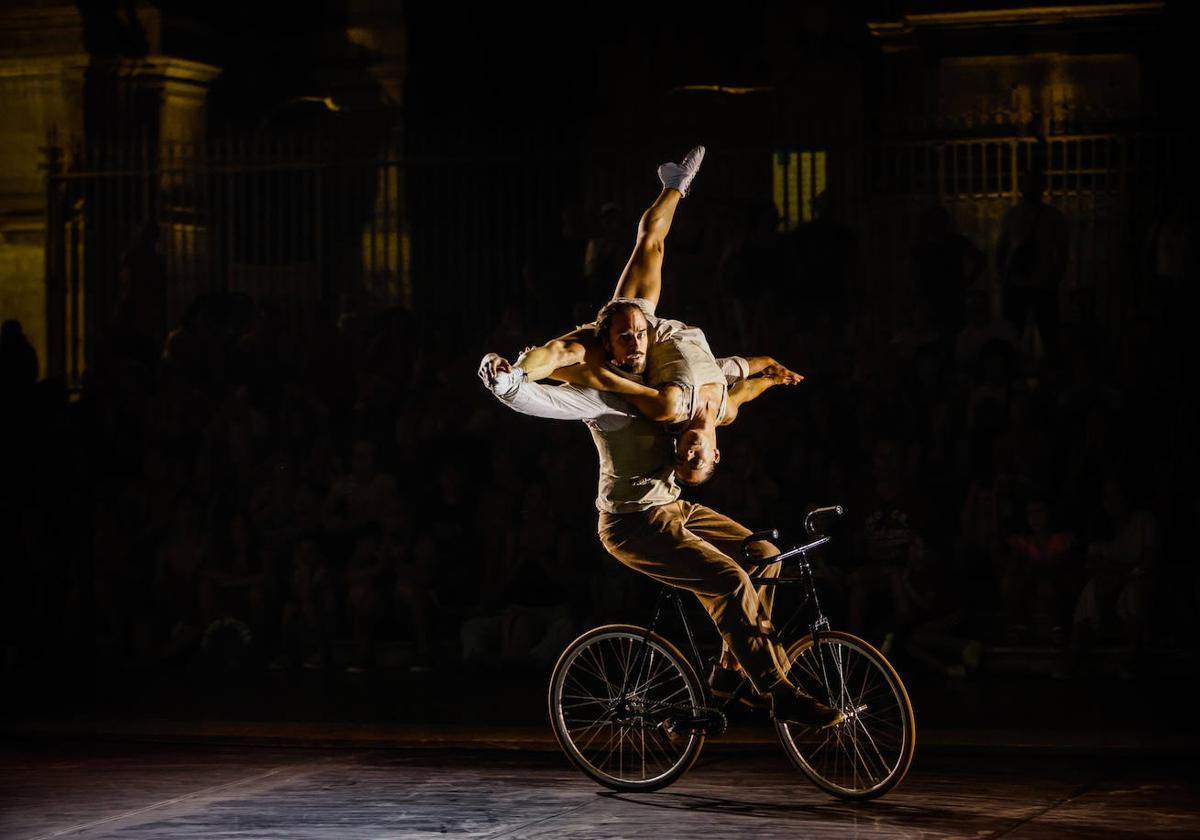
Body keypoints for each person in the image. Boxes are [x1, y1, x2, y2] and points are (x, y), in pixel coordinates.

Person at [477, 147, 843, 728]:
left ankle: (728, 674)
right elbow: (545, 398)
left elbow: (738, 374)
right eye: (624, 338)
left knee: (765, 556)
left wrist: (771, 373)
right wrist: (510, 381)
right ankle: (777, 689)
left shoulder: (683, 380)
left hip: (672, 509)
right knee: (726, 580)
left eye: (638, 336)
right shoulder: (607, 390)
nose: (634, 344)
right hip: (630, 524)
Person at [495, 146, 801, 486]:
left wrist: (541, 373)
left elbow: (609, 382)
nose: (688, 454)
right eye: (697, 460)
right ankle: (676, 184)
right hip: (651, 323)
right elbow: (742, 381)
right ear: (716, 453)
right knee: (652, 243)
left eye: (682, 460)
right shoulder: (725, 412)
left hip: (633, 334)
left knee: (562, 353)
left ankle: (516, 372)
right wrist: (773, 372)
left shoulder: (670, 408)